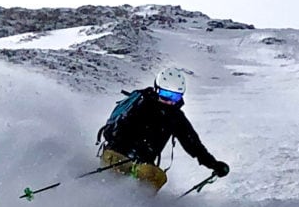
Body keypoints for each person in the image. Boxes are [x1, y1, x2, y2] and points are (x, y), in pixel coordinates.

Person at [96, 67, 230, 193]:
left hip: (143, 164)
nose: (169, 101)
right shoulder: (141, 105)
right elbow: (113, 132)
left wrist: (214, 164)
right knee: (121, 179)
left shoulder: (175, 117)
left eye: (175, 97)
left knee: (156, 176)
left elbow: (193, 145)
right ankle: (108, 205)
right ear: (157, 89)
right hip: (116, 156)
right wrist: (133, 148)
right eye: (166, 94)